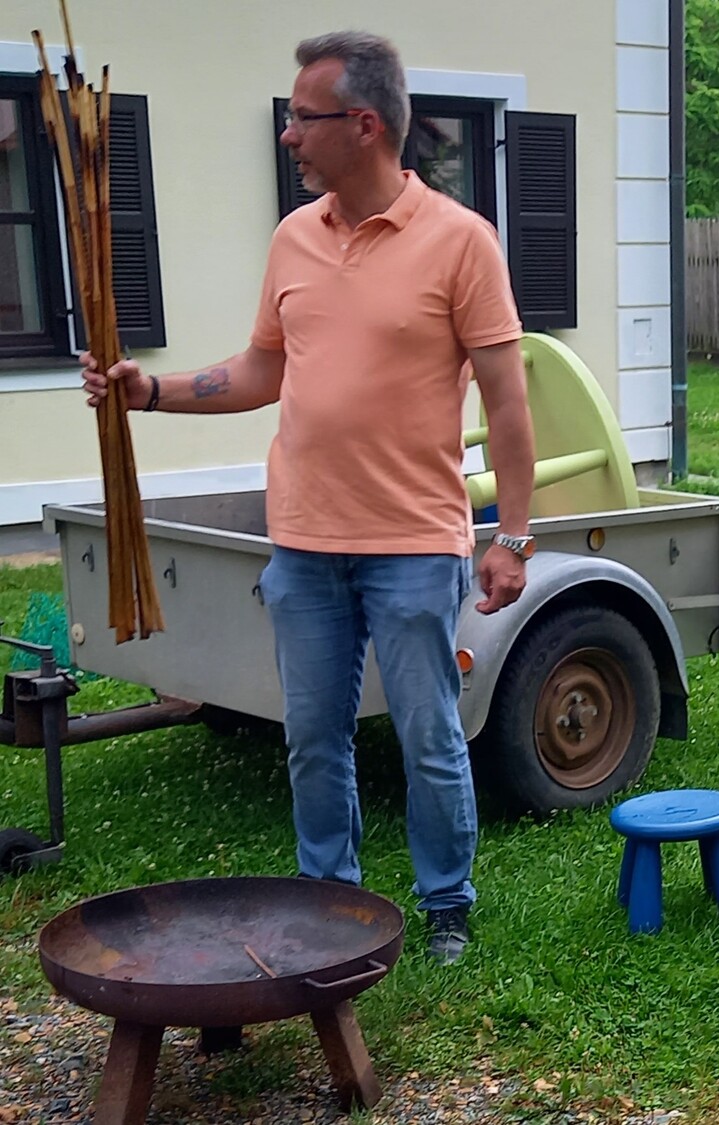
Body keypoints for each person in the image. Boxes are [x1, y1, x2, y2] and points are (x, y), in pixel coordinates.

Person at [82, 30, 535, 965]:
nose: (288, 135)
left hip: (413, 541)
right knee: (314, 737)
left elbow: (507, 400)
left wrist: (514, 537)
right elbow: (263, 368)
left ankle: (446, 905)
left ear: (364, 125)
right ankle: (330, 905)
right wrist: (150, 390)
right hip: (304, 542)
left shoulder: (461, 241)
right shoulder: (294, 237)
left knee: (428, 732)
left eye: (302, 118)